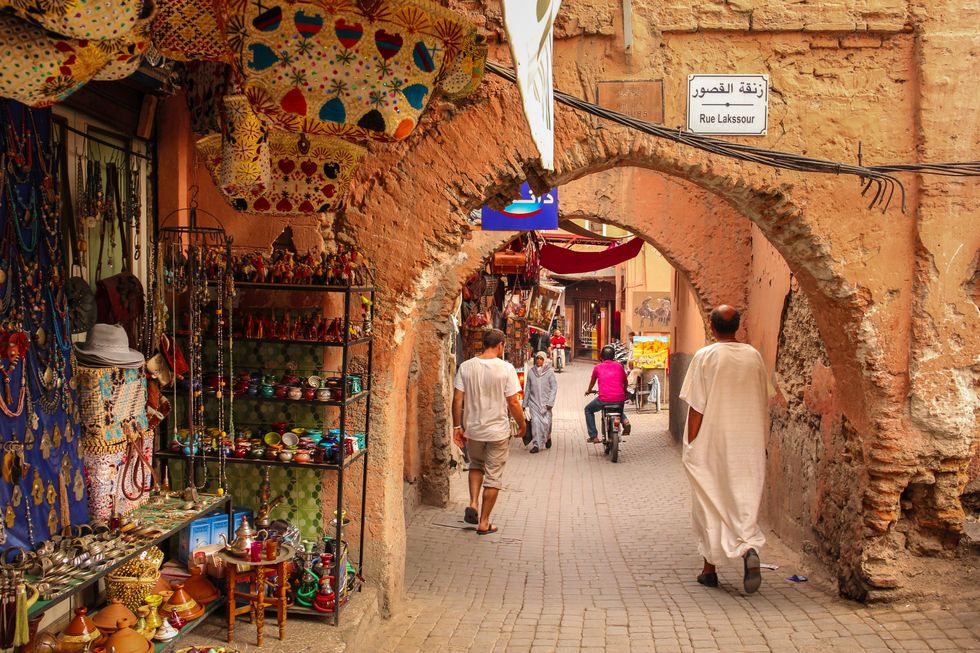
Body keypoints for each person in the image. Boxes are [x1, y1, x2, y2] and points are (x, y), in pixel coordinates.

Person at [680, 305, 772, 594]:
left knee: (710, 499)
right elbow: (764, 397)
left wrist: (691, 443)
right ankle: (748, 550)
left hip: (713, 442)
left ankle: (709, 569)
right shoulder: (754, 357)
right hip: (748, 442)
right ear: (739, 326)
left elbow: (697, 406)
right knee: (743, 499)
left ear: (711, 325)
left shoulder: (705, 357)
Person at [452, 328, 525, 535]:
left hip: (473, 430)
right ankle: (484, 522)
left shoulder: (466, 367)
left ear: (483, 344)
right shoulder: (506, 368)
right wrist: (522, 425)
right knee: (493, 477)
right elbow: (513, 401)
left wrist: (457, 427)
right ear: (501, 345)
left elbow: (458, 399)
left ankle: (473, 503)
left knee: (476, 464)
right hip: (497, 432)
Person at [583, 345, 631, 443]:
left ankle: (594, 436)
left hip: (604, 399)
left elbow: (592, 382)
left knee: (588, 410)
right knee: (618, 409)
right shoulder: (619, 366)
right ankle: (625, 421)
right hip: (619, 398)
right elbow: (625, 381)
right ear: (613, 356)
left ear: (601, 356)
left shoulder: (598, 367)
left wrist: (589, 390)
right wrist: (625, 391)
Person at [523, 351, 557, 453]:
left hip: (546, 404)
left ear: (545, 360)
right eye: (537, 358)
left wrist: (550, 403)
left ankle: (548, 437)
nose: (539, 360)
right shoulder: (531, 372)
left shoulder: (549, 372)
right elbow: (528, 388)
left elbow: (554, 388)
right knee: (536, 423)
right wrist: (524, 404)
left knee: (547, 423)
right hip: (534, 403)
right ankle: (536, 445)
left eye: (541, 359)